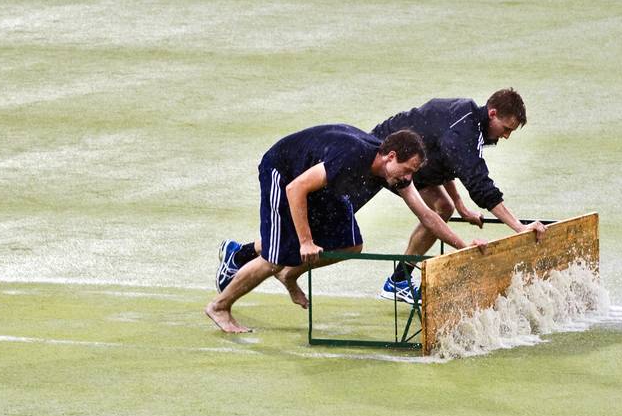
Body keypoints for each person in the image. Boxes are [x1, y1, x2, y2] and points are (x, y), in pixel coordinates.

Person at [206, 125, 486, 334]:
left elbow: (427, 216)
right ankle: (219, 306)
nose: (409, 178)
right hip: (284, 172)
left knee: (351, 245)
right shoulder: (351, 156)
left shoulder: (394, 175)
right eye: (407, 169)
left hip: (324, 188)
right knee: (274, 257)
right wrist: (305, 241)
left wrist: (465, 248)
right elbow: (296, 188)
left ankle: (289, 274)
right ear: (390, 156)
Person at [361, 88, 546, 304]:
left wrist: (460, 206)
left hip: (414, 163)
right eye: (506, 129)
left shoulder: (468, 119)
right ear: (492, 113)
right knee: (436, 210)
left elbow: (446, 162)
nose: (506, 135)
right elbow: (480, 186)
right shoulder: (463, 132)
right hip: (389, 158)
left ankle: (398, 281)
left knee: (444, 207)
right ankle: (398, 281)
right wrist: (520, 228)